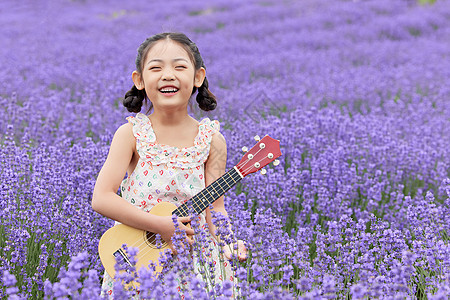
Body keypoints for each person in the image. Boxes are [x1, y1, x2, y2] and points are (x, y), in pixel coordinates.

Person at [91, 32, 247, 298]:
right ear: (139, 80)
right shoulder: (131, 134)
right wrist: (159, 225)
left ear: (198, 77)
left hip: (196, 263)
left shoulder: (212, 141)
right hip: (138, 256)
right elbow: (102, 198)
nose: (168, 75)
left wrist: (229, 242)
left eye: (179, 66)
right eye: (155, 68)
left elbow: (215, 208)